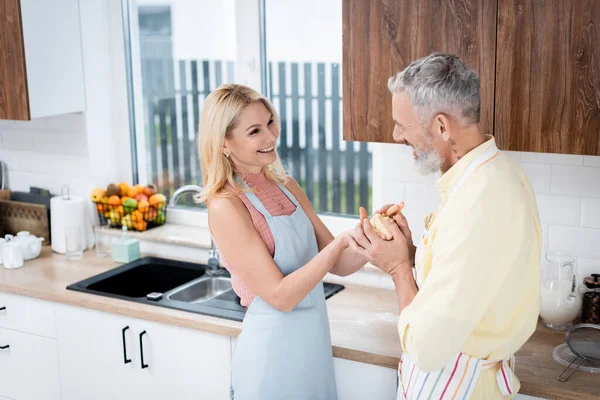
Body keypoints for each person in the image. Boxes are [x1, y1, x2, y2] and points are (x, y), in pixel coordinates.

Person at [348, 53, 542, 399]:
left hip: (462, 387)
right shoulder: (496, 175)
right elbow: (467, 278)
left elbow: (426, 347)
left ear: (441, 126)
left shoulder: (480, 200)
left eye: (402, 125)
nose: (395, 135)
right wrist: (410, 254)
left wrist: (397, 269)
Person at [197, 84, 366, 400]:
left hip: (312, 348)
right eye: (255, 131)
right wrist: (340, 244)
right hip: (271, 358)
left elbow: (341, 264)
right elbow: (280, 296)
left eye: (270, 122)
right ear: (224, 143)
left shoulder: (286, 185)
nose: (270, 136)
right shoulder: (226, 205)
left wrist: (371, 236)